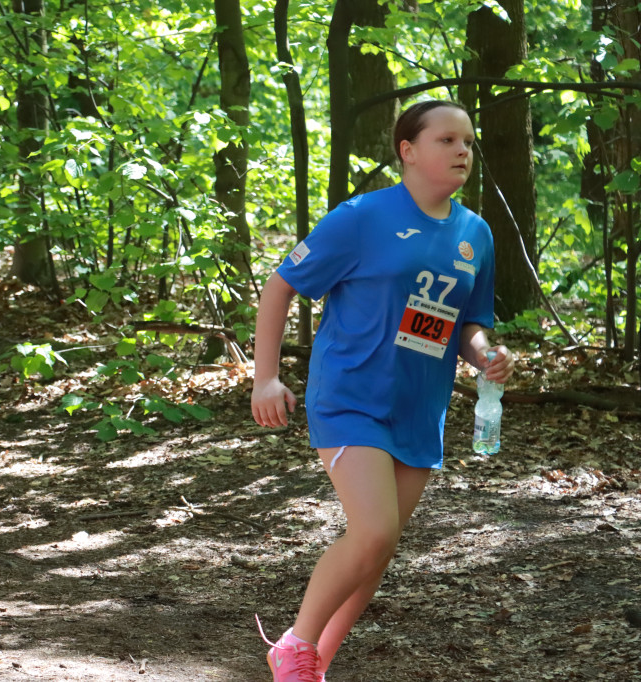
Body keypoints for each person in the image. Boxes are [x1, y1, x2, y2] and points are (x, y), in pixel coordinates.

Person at [250, 100, 514, 681]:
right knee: (372, 531)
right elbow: (280, 287)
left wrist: (485, 357)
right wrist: (265, 375)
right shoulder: (361, 217)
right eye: (447, 140)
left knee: (378, 548)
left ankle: (314, 664)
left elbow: (468, 322)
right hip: (350, 398)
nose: (463, 151)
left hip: (419, 410)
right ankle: (293, 648)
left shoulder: (476, 233)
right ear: (408, 150)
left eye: (468, 142)